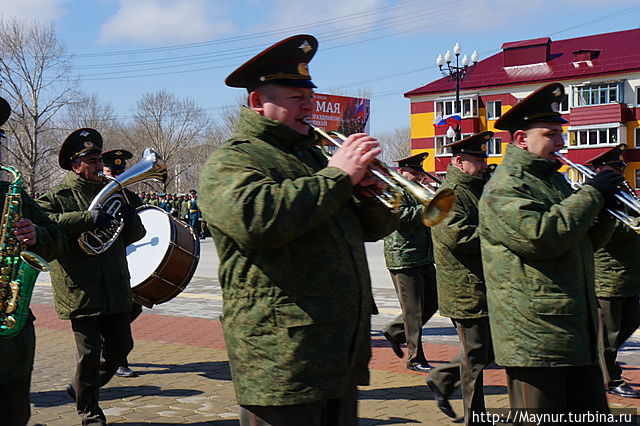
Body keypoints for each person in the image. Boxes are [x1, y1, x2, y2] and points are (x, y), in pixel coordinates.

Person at [198, 34, 398, 426]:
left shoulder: (313, 158)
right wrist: (339, 177)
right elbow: (257, 221)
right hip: (282, 358)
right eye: (295, 97)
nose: (309, 104)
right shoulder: (232, 160)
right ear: (258, 102)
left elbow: (373, 230)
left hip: (336, 351)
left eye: (310, 95)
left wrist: (372, 195)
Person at [479, 83, 622, 419]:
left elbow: (580, 243)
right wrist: (590, 196)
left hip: (573, 327)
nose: (561, 141)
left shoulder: (552, 180)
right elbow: (541, 238)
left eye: (561, 132)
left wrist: (603, 212)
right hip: (535, 335)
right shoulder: (504, 187)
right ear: (520, 139)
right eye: (550, 134)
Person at [38, 128, 146, 425]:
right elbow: (46, 223)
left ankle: (80, 388)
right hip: (81, 288)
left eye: (100, 159)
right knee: (88, 354)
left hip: (114, 284)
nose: (100, 165)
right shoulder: (58, 196)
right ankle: (90, 414)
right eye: (93, 160)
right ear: (76, 165)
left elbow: (138, 234)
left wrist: (130, 215)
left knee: (122, 346)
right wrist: (87, 218)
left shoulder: (115, 192)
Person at [0, 96, 66, 426]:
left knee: (14, 414)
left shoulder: (11, 192)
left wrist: (38, 234)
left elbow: (58, 236)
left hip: (11, 336)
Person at [427, 132, 494, 425]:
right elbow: (458, 237)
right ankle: (474, 417)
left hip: (483, 285)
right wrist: (502, 233)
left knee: (484, 351)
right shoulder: (445, 194)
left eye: (484, 158)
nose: (483, 164)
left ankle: (442, 378)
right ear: (458, 161)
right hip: (464, 289)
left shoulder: (476, 189)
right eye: (477, 159)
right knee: (477, 357)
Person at [585, 145, 640, 398]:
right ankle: (609, 380)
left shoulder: (622, 193)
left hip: (629, 277)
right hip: (607, 279)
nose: (620, 173)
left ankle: (602, 363)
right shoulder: (597, 196)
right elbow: (610, 233)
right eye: (615, 168)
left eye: (622, 168)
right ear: (600, 170)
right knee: (608, 334)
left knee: (629, 323)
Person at [381, 152, 438, 373]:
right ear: (401, 172)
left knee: (433, 301)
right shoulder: (393, 189)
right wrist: (428, 206)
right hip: (402, 257)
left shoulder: (421, 190)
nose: (418, 176)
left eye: (419, 172)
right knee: (413, 311)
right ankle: (415, 358)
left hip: (423, 255)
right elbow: (399, 217)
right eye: (413, 172)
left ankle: (395, 331)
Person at [101, 149, 144, 379]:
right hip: (101, 262)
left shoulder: (129, 197)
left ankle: (110, 350)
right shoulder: (95, 195)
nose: (116, 175)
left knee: (133, 306)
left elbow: (145, 224)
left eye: (120, 171)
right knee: (116, 311)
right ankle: (116, 359)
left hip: (127, 261)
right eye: (111, 171)